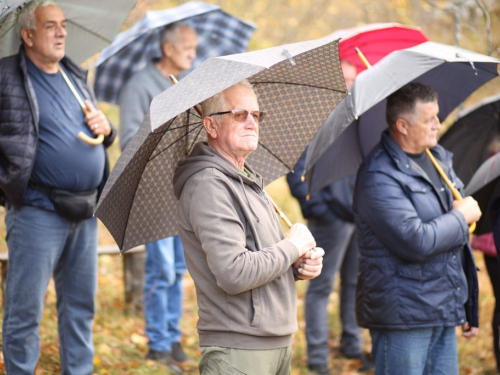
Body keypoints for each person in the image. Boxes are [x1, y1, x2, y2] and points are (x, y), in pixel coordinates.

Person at [173, 80, 325, 374]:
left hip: (276, 341)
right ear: (211, 126)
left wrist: (296, 264)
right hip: (239, 349)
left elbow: (262, 257)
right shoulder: (208, 185)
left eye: (256, 115)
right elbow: (234, 272)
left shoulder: (249, 180)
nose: (252, 122)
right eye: (239, 114)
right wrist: (291, 245)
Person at [0, 1, 115, 374]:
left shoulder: (74, 74)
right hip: (36, 211)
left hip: (85, 210)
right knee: (24, 313)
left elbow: (93, 133)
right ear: (27, 35)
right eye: (51, 26)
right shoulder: (6, 76)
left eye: (63, 25)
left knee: (81, 309)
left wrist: (106, 129)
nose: (62, 32)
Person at [353, 82, 481, 374]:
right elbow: (417, 241)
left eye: (437, 116)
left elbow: (456, 244)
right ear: (402, 125)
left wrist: (466, 304)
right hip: (404, 316)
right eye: (428, 119)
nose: (438, 124)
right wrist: (461, 218)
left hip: (441, 310)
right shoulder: (378, 175)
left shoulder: (438, 159)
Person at [118, 22, 197, 374]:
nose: (194, 54)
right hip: (153, 193)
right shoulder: (139, 85)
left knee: (179, 269)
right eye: (188, 48)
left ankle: (173, 336)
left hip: (183, 191)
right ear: (168, 48)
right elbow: (128, 145)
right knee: (161, 269)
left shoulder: (186, 82)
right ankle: (157, 344)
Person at [287, 59, 372, 375]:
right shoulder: (313, 118)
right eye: (345, 79)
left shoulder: (358, 117)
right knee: (320, 287)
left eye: (354, 79)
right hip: (328, 220)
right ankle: (318, 358)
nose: (349, 85)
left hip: (356, 216)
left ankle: (351, 344)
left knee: (353, 283)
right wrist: (316, 208)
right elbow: (296, 169)